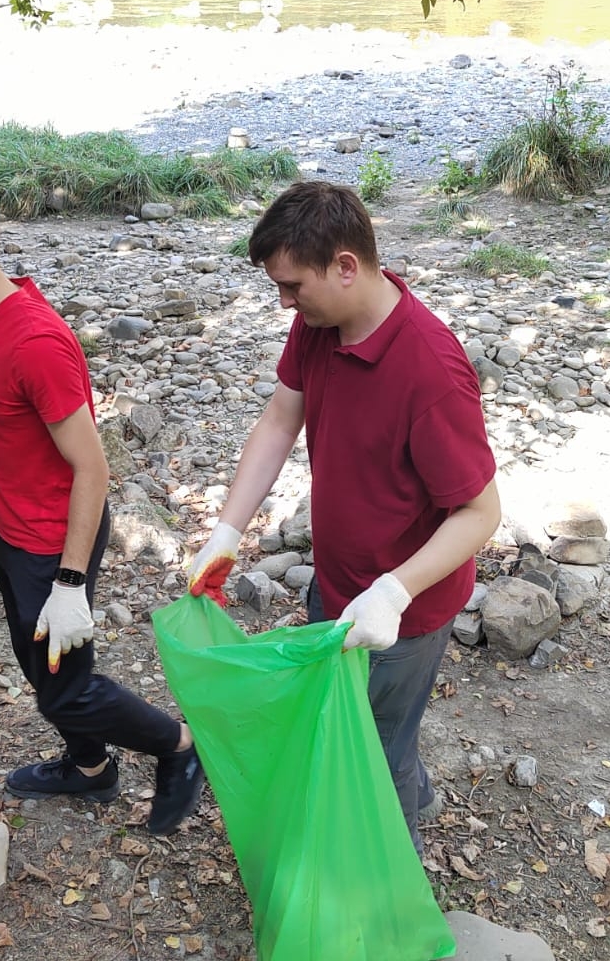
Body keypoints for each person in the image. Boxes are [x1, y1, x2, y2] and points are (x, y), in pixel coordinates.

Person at [0, 182, 206, 835]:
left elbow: (93, 467)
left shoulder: (34, 342)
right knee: (39, 669)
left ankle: (181, 747)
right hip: (13, 528)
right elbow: (19, 434)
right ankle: (89, 767)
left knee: (69, 689)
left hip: (55, 546)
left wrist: (70, 583)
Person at [186, 181, 500, 853]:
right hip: (337, 581)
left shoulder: (430, 370)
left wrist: (393, 591)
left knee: (375, 753)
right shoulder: (318, 325)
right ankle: (402, 801)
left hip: (402, 615)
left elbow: (480, 513)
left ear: (346, 267)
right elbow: (279, 419)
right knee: (353, 727)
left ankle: (390, 900)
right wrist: (226, 533)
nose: (284, 302)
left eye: (293, 286)